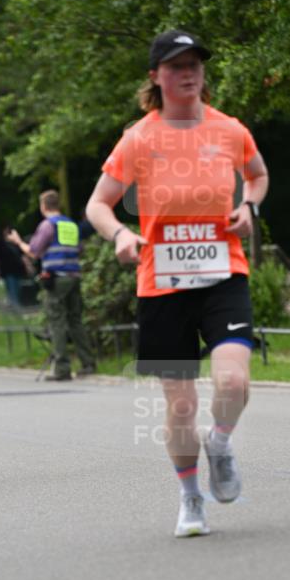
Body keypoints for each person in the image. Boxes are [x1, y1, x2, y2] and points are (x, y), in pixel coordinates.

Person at [87, 29, 268, 537]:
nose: (188, 72)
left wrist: (249, 206)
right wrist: (121, 234)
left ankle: (222, 441)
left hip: (222, 273)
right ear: (156, 76)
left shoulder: (229, 130)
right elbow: (98, 204)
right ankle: (191, 497)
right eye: (175, 65)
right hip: (160, 282)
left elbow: (257, 176)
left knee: (233, 381)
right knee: (181, 404)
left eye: (195, 64)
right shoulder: (139, 137)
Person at [8, 191, 96, 380]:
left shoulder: (48, 225)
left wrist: (17, 242)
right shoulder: (71, 225)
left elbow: (33, 252)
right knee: (75, 320)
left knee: (57, 321)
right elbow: (79, 249)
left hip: (56, 279)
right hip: (74, 276)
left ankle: (62, 369)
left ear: (43, 206)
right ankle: (88, 364)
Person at [0, 225, 29, 313]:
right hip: (7, 270)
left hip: (18, 269)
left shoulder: (16, 243)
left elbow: (23, 256)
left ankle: (15, 306)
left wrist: (28, 266)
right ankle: (15, 307)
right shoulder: (0, 243)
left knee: (18, 288)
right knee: (11, 289)